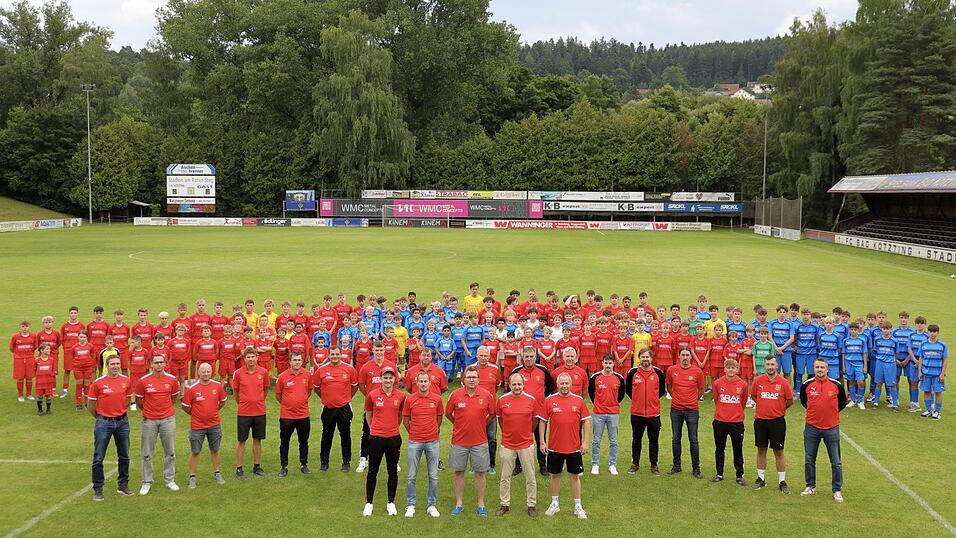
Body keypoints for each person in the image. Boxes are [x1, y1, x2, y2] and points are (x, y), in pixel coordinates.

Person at [538, 372, 591, 519]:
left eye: (567, 383)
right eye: (562, 383)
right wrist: (542, 441)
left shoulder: (579, 400)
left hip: (574, 447)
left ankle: (578, 506)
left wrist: (585, 442)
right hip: (554, 447)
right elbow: (542, 421)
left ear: (571, 384)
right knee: (554, 476)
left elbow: (586, 421)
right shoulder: (550, 400)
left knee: (575, 477)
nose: (564, 386)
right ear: (557, 384)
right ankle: (554, 504)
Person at [445, 366, 496, 517]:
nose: (471, 380)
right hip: (459, 441)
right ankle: (459, 503)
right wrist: (459, 424)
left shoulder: (486, 395)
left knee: (480, 473)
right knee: (459, 472)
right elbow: (448, 413)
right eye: (469, 377)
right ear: (464, 379)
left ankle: (481, 504)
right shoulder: (455, 395)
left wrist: (481, 424)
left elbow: (492, 414)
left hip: (479, 441)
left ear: (478, 379)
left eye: (474, 377)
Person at [800, 357, 848, 502]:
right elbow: (804, 401)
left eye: (822, 367)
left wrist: (830, 413)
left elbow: (842, 403)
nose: (819, 370)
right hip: (811, 427)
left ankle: (837, 489)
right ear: (813, 369)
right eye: (817, 367)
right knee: (809, 459)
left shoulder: (837, 385)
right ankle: (810, 485)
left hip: (831, 428)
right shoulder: (807, 385)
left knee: (836, 461)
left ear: (827, 369)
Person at [87, 355, 133, 501]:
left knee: (124, 455)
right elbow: (91, 406)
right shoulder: (98, 383)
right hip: (103, 423)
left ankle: (123, 485)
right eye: (112, 364)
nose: (115, 366)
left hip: (122, 422)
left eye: (118, 363)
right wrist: (102, 417)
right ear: (107, 365)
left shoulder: (126, 381)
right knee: (98, 457)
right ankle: (98, 488)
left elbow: (126, 401)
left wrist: (118, 413)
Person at [134, 353, 181, 495]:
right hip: (149, 421)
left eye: (161, 362)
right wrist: (149, 412)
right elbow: (139, 401)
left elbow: (174, 397)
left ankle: (169, 480)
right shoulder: (143, 381)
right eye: (156, 362)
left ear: (165, 363)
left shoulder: (172, 380)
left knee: (170, 452)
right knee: (147, 453)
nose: (159, 365)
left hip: (168, 420)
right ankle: (146, 481)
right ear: (151, 364)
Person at [363, 366, 405, 517]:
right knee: (372, 471)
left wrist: (391, 428)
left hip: (393, 438)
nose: (388, 380)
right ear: (381, 379)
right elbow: (368, 414)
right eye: (385, 377)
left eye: (390, 378)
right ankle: (369, 503)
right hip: (376, 438)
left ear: (395, 379)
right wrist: (376, 428)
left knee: (392, 471)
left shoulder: (400, 396)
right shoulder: (372, 395)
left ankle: (391, 503)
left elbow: (400, 415)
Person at [496, 373, 539, 518]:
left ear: (523, 384)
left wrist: (526, 433)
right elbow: (500, 420)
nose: (517, 387)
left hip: (526, 443)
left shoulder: (531, 400)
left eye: (519, 384)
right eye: (514, 384)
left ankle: (531, 505)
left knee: (530, 476)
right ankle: (504, 504)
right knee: (505, 476)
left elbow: (534, 421)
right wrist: (509, 434)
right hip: (507, 444)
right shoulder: (502, 400)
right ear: (509, 384)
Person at [402, 371, 443, 518]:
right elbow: (406, 420)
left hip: (432, 441)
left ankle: (432, 505)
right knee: (411, 475)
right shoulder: (410, 399)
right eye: (421, 381)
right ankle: (410, 505)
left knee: (433, 476)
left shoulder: (437, 399)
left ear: (430, 383)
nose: (424, 384)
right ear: (417, 383)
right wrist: (414, 432)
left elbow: (439, 418)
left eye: (426, 381)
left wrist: (433, 432)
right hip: (415, 441)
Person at [751, 356, 794, 493]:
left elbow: (789, 400)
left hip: (777, 421)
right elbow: (754, 396)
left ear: (777, 366)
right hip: (761, 420)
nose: (770, 367)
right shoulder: (758, 381)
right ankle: (760, 478)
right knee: (761, 449)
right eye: (768, 364)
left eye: (772, 364)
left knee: (778, 451)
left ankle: (782, 480)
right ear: (764, 365)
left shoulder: (783, 382)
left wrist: (779, 410)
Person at [181, 362, 227, 488]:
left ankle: (217, 473)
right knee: (195, 451)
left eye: (208, 371)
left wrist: (213, 412)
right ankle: (192, 477)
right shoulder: (192, 389)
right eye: (203, 371)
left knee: (215, 450)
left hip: (214, 425)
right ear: (198, 373)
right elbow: (185, 407)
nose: (206, 374)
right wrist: (196, 414)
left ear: (211, 372)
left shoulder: (217, 386)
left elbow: (222, 402)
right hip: (197, 426)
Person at [313, 346, 358, 471]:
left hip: (344, 407)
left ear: (341, 354)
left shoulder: (349, 369)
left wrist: (346, 398)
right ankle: (324, 462)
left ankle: (346, 462)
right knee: (327, 435)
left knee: (345, 435)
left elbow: (354, 387)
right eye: (332, 354)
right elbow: (316, 388)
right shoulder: (321, 370)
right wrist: (326, 398)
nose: (335, 356)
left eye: (337, 354)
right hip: (328, 408)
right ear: (329, 355)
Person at [512, 346, 555, 475]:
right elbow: (511, 390)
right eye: (526, 357)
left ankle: (543, 466)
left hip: (540, 413)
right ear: (522, 357)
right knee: (520, 439)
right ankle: (518, 465)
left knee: (540, 438)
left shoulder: (543, 370)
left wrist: (541, 400)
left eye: (531, 356)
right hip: (522, 413)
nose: (529, 359)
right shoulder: (517, 371)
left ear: (535, 357)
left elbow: (550, 387)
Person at [625, 348, 666, 474]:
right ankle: (635, 463)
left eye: (647, 357)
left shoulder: (658, 373)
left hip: (653, 414)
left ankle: (654, 465)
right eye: (642, 357)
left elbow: (660, 392)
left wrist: (651, 401)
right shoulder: (632, 372)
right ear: (639, 358)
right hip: (637, 414)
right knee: (636, 439)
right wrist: (639, 400)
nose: (645, 359)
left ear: (651, 358)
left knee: (653, 440)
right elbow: (628, 390)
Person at [666, 348, 705, 478]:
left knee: (693, 439)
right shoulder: (672, 370)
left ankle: (696, 468)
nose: (685, 357)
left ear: (691, 357)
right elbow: (669, 387)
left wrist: (693, 399)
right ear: (678, 356)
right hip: (676, 409)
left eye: (687, 355)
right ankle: (676, 466)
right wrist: (676, 397)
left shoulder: (697, 371)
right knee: (676, 438)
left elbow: (701, 389)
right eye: (682, 355)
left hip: (692, 410)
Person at [357, 342, 395, 472]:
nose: (379, 352)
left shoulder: (391, 365)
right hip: (371, 407)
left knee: (392, 432)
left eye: (381, 350)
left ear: (384, 350)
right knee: (367, 432)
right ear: (373, 350)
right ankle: (363, 458)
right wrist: (370, 396)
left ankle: (394, 461)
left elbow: (394, 383)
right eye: (377, 350)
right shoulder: (366, 367)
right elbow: (361, 385)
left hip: (388, 407)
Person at [233, 347, 270, 479]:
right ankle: (239, 468)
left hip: (259, 411)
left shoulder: (264, 372)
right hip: (244, 412)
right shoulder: (238, 373)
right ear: (244, 359)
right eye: (248, 357)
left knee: (257, 440)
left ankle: (257, 466)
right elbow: (236, 392)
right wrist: (244, 402)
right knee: (241, 440)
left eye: (253, 356)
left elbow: (265, 389)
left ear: (257, 357)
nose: (251, 359)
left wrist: (257, 400)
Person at [711, 359, 749, 485]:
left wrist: (736, 413)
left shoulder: (742, 384)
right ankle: (719, 473)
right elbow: (717, 400)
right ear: (724, 369)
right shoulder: (717, 383)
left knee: (737, 449)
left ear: (737, 369)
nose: (731, 370)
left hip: (736, 422)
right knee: (719, 448)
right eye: (728, 367)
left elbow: (742, 402)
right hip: (720, 421)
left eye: (733, 367)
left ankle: (739, 475)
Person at [275, 352, 312, 477]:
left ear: (302, 361)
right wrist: (288, 404)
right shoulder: (282, 376)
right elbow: (278, 395)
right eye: (294, 360)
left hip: (303, 415)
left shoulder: (307, 375)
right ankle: (284, 466)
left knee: (304, 441)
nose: (297, 362)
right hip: (287, 416)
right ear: (290, 361)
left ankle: (304, 464)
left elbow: (309, 391)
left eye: (299, 360)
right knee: (285, 442)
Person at [588, 353, 625, 475]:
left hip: (613, 413)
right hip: (598, 413)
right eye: (606, 363)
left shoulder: (619, 378)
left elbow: (621, 395)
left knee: (613, 441)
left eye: (610, 363)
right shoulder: (595, 377)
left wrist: (613, 404)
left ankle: (612, 464)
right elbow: (591, 393)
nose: (608, 365)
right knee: (596, 440)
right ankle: (595, 464)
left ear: (613, 364)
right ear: (602, 363)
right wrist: (598, 404)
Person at [918, 324, 947, 419]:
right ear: (928, 332)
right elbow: (921, 358)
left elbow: (945, 360)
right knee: (926, 391)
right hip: (926, 373)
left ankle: (937, 412)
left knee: (938, 392)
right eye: (930, 332)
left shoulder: (942, 345)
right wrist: (919, 372)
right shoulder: (923, 344)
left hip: (937, 374)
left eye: (934, 332)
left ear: (937, 333)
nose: (932, 334)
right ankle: (929, 410)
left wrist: (942, 374)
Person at [10, 320, 36, 401]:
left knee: (29, 377)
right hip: (19, 360)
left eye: (26, 326)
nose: (25, 328)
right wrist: (18, 355)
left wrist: (29, 354)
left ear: (29, 327)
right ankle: (20, 395)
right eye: (23, 326)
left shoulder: (33, 336)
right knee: (20, 378)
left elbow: (35, 347)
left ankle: (29, 394)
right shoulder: (15, 337)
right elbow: (11, 347)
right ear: (20, 327)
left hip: (30, 359)